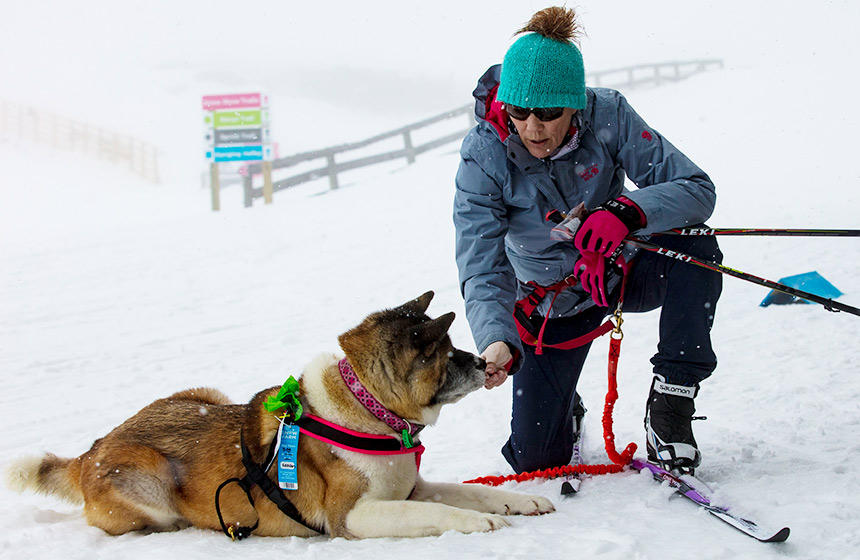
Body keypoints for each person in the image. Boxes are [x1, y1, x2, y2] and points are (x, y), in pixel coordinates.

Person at [453, 6, 722, 475]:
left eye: (549, 112)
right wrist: (496, 338)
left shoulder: (609, 114)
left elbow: (696, 189)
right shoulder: (483, 155)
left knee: (696, 247)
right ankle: (564, 408)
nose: (533, 128)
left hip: (621, 270)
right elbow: (482, 265)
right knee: (537, 459)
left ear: (574, 104)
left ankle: (672, 406)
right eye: (519, 112)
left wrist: (629, 211)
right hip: (550, 304)